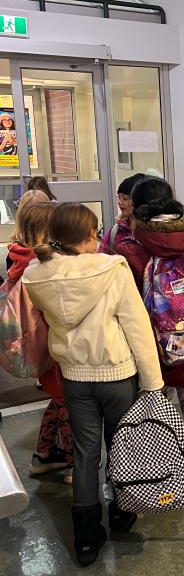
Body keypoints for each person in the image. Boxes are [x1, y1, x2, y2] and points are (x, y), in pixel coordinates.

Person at [22, 202, 164, 567]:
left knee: (86, 455)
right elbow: (136, 327)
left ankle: (86, 538)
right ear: (88, 236)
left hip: (74, 376)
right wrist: (153, 382)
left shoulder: (37, 275)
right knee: (123, 449)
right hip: (117, 373)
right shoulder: (111, 269)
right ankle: (121, 513)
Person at [115, 177, 184, 474]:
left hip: (154, 341)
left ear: (136, 210)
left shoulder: (128, 249)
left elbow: (121, 304)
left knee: (154, 397)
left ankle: (163, 465)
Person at [5, 202, 73, 483]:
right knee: (69, 406)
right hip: (53, 346)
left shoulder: (17, 257)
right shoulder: (41, 266)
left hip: (36, 347)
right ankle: (75, 463)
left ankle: (44, 456)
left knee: (58, 401)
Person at [98, 173, 146, 254]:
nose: (119, 202)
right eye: (119, 197)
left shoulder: (151, 232)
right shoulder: (115, 231)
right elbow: (102, 257)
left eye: (125, 198)